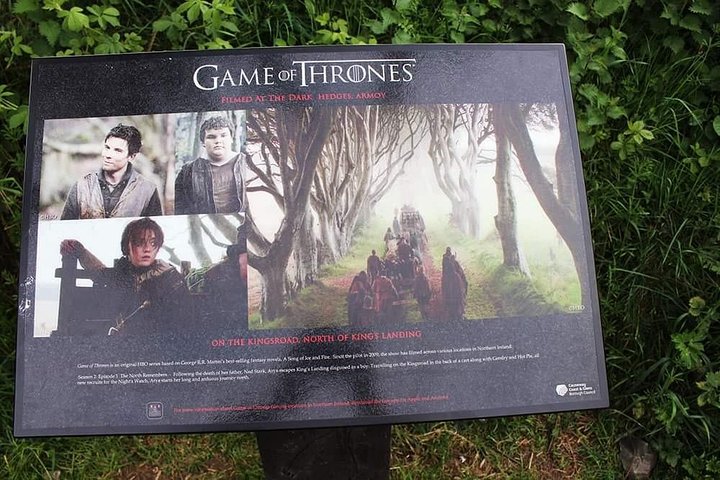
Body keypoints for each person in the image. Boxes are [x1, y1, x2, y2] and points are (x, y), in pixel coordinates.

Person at [60, 217, 193, 335]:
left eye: (153, 243)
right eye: (139, 242)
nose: (147, 249)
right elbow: (100, 273)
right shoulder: (122, 273)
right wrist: (79, 251)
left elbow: (183, 322)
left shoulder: (169, 277)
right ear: (127, 246)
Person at [61, 124, 162, 220]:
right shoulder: (82, 186)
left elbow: (154, 229)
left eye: (117, 150)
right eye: (107, 147)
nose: (108, 155)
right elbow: (64, 227)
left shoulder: (147, 190)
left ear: (131, 156)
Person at [175, 116, 246, 215]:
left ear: (231, 139)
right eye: (211, 137)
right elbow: (179, 208)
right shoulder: (188, 171)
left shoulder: (246, 163)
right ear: (203, 142)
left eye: (223, 135)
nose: (218, 141)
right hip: (202, 223)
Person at [442, 247, 467, 321]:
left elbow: (444, 290)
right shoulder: (456, 276)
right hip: (455, 299)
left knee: (452, 314)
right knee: (457, 314)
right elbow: (460, 290)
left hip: (450, 300)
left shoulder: (445, 277)